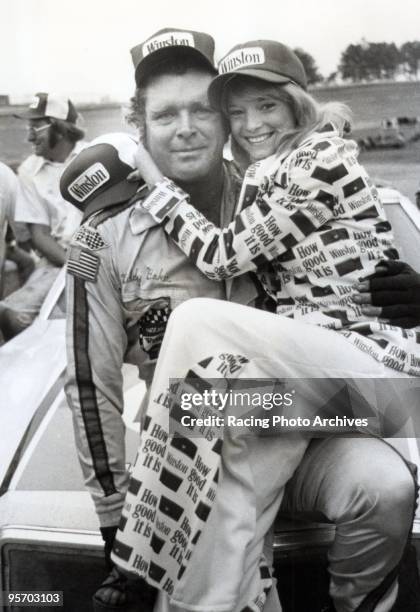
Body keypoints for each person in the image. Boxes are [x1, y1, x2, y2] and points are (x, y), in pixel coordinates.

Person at [62, 31, 417, 612]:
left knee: (386, 486)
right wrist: (113, 514)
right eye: (165, 113)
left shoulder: (282, 187)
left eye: (203, 109)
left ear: (223, 121)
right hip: (201, 446)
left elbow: (366, 230)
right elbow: (88, 381)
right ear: (140, 127)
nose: (187, 127)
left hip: (311, 426)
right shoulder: (98, 240)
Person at [0, 93, 85, 340]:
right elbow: (39, 237)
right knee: (10, 314)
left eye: (35, 127)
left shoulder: (95, 155)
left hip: (104, 257)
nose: (28, 137)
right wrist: (79, 269)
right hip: (58, 263)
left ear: (60, 128)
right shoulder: (29, 171)